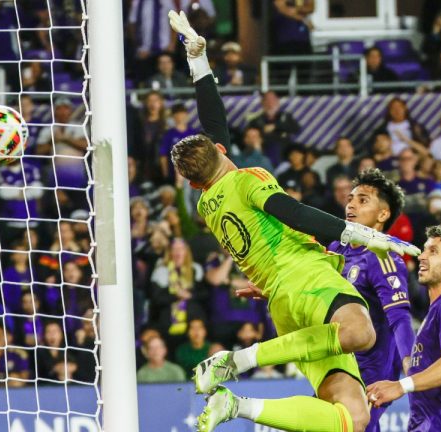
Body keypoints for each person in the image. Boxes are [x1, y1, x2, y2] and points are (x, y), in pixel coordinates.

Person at [166, 11, 419, 432]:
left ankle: (238, 407)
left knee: (352, 418)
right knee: (362, 334)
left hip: (283, 306)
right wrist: (362, 234)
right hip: (306, 278)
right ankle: (240, 360)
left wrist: (199, 63)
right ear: (220, 154)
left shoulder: (207, 202)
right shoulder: (248, 181)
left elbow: (214, 124)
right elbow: (294, 212)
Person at [366, 222, 441, 432]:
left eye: (433, 251)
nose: (421, 256)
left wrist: (400, 386)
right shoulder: (439, 310)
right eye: (424, 249)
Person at [327, 169, 415, 431]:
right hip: (338, 363)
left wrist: (410, 366)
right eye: (350, 198)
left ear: (383, 214)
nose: (351, 204)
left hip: (372, 372)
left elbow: (399, 318)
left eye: (363, 200)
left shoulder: (383, 256)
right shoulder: (336, 249)